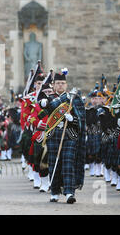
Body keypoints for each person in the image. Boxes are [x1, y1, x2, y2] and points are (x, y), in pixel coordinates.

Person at [40, 68, 86, 204]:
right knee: (54, 162)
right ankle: (54, 192)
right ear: (53, 85)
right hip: (54, 134)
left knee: (68, 162)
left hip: (70, 134)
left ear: (66, 85)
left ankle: (69, 192)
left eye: (62, 83)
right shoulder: (49, 99)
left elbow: (81, 119)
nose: (60, 85)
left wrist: (72, 119)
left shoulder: (74, 98)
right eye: (58, 83)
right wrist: (42, 104)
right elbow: (43, 113)